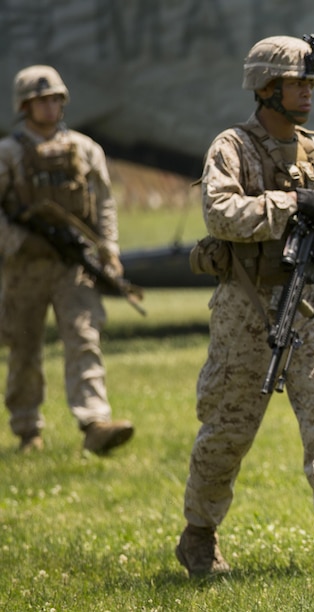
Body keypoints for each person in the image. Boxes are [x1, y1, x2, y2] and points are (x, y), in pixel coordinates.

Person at [175, 34, 314, 577]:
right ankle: (199, 535)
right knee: (228, 426)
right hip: (246, 305)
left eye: (311, 82)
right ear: (267, 88)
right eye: (299, 83)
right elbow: (220, 214)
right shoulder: (232, 147)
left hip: (309, 302)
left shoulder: (311, 147)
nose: (309, 91)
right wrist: (292, 203)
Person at [0, 65, 135, 455]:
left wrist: (109, 249)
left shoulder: (85, 148)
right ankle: (27, 429)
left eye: (56, 98)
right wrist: (18, 242)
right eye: (43, 100)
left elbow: (104, 203)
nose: (52, 105)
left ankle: (94, 422)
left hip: (72, 264)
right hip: (25, 266)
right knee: (24, 347)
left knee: (84, 338)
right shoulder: (8, 153)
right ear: (25, 105)